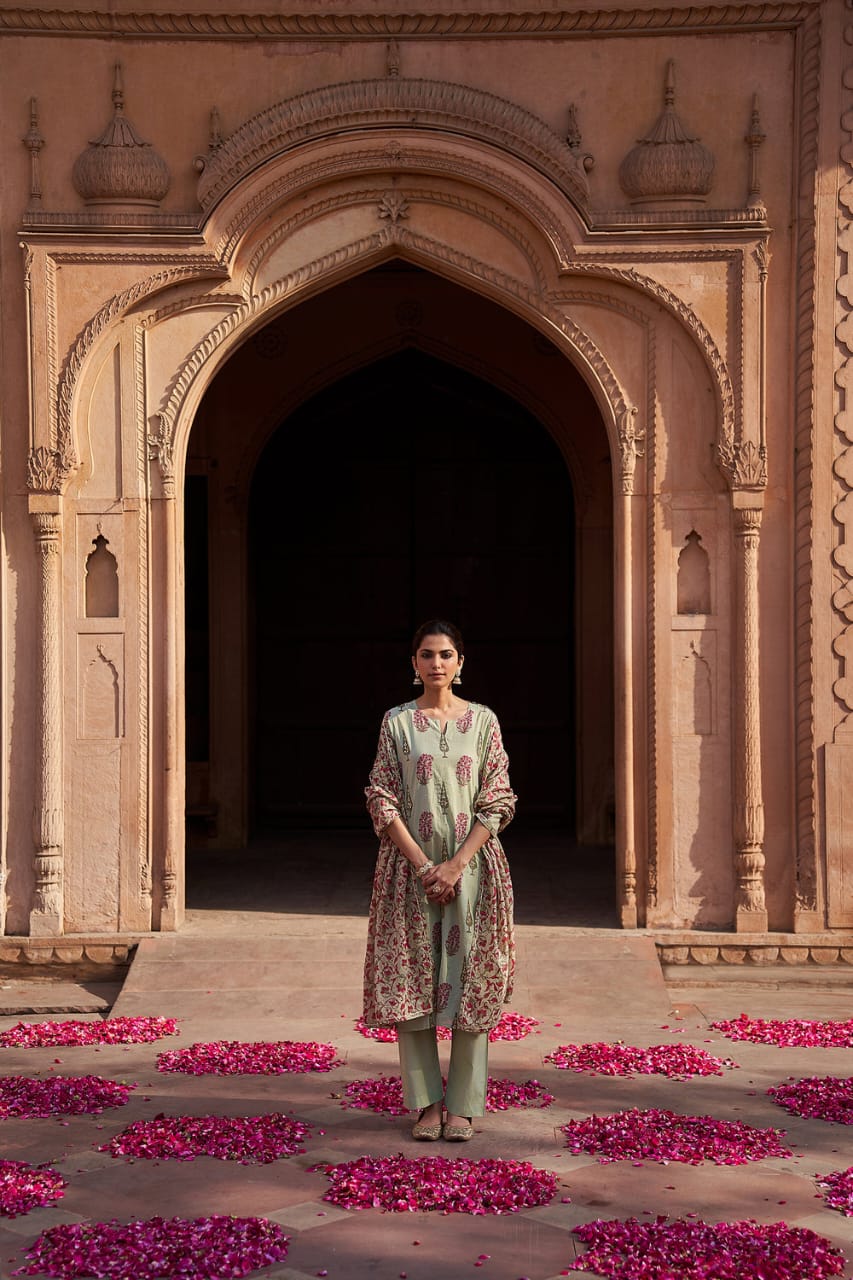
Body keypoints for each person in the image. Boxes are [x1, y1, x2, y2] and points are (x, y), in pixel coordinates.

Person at [363, 619, 516, 1141]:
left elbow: (499, 796)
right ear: (414, 664)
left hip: (474, 873)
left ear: (460, 662)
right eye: (427, 655)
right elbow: (381, 796)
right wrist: (425, 866)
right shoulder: (397, 723)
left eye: (446, 654)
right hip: (408, 873)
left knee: (473, 979)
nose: (436, 663)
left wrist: (455, 865)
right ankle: (427, 1104)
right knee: (412, 980)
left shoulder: (484, 722)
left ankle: (464, 1106)